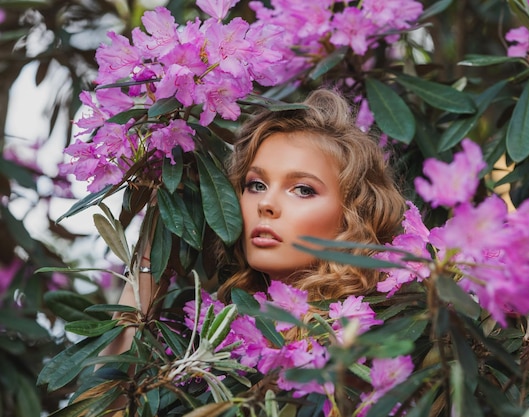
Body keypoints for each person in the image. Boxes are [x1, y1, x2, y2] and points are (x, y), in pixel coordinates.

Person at [102, 88, 406, 355]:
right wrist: (153, 254)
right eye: (256, 185)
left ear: (354, 215)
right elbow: (109, 402)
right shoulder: (212, 333)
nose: (266, 204)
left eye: (303, 189)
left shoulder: (376, 338)